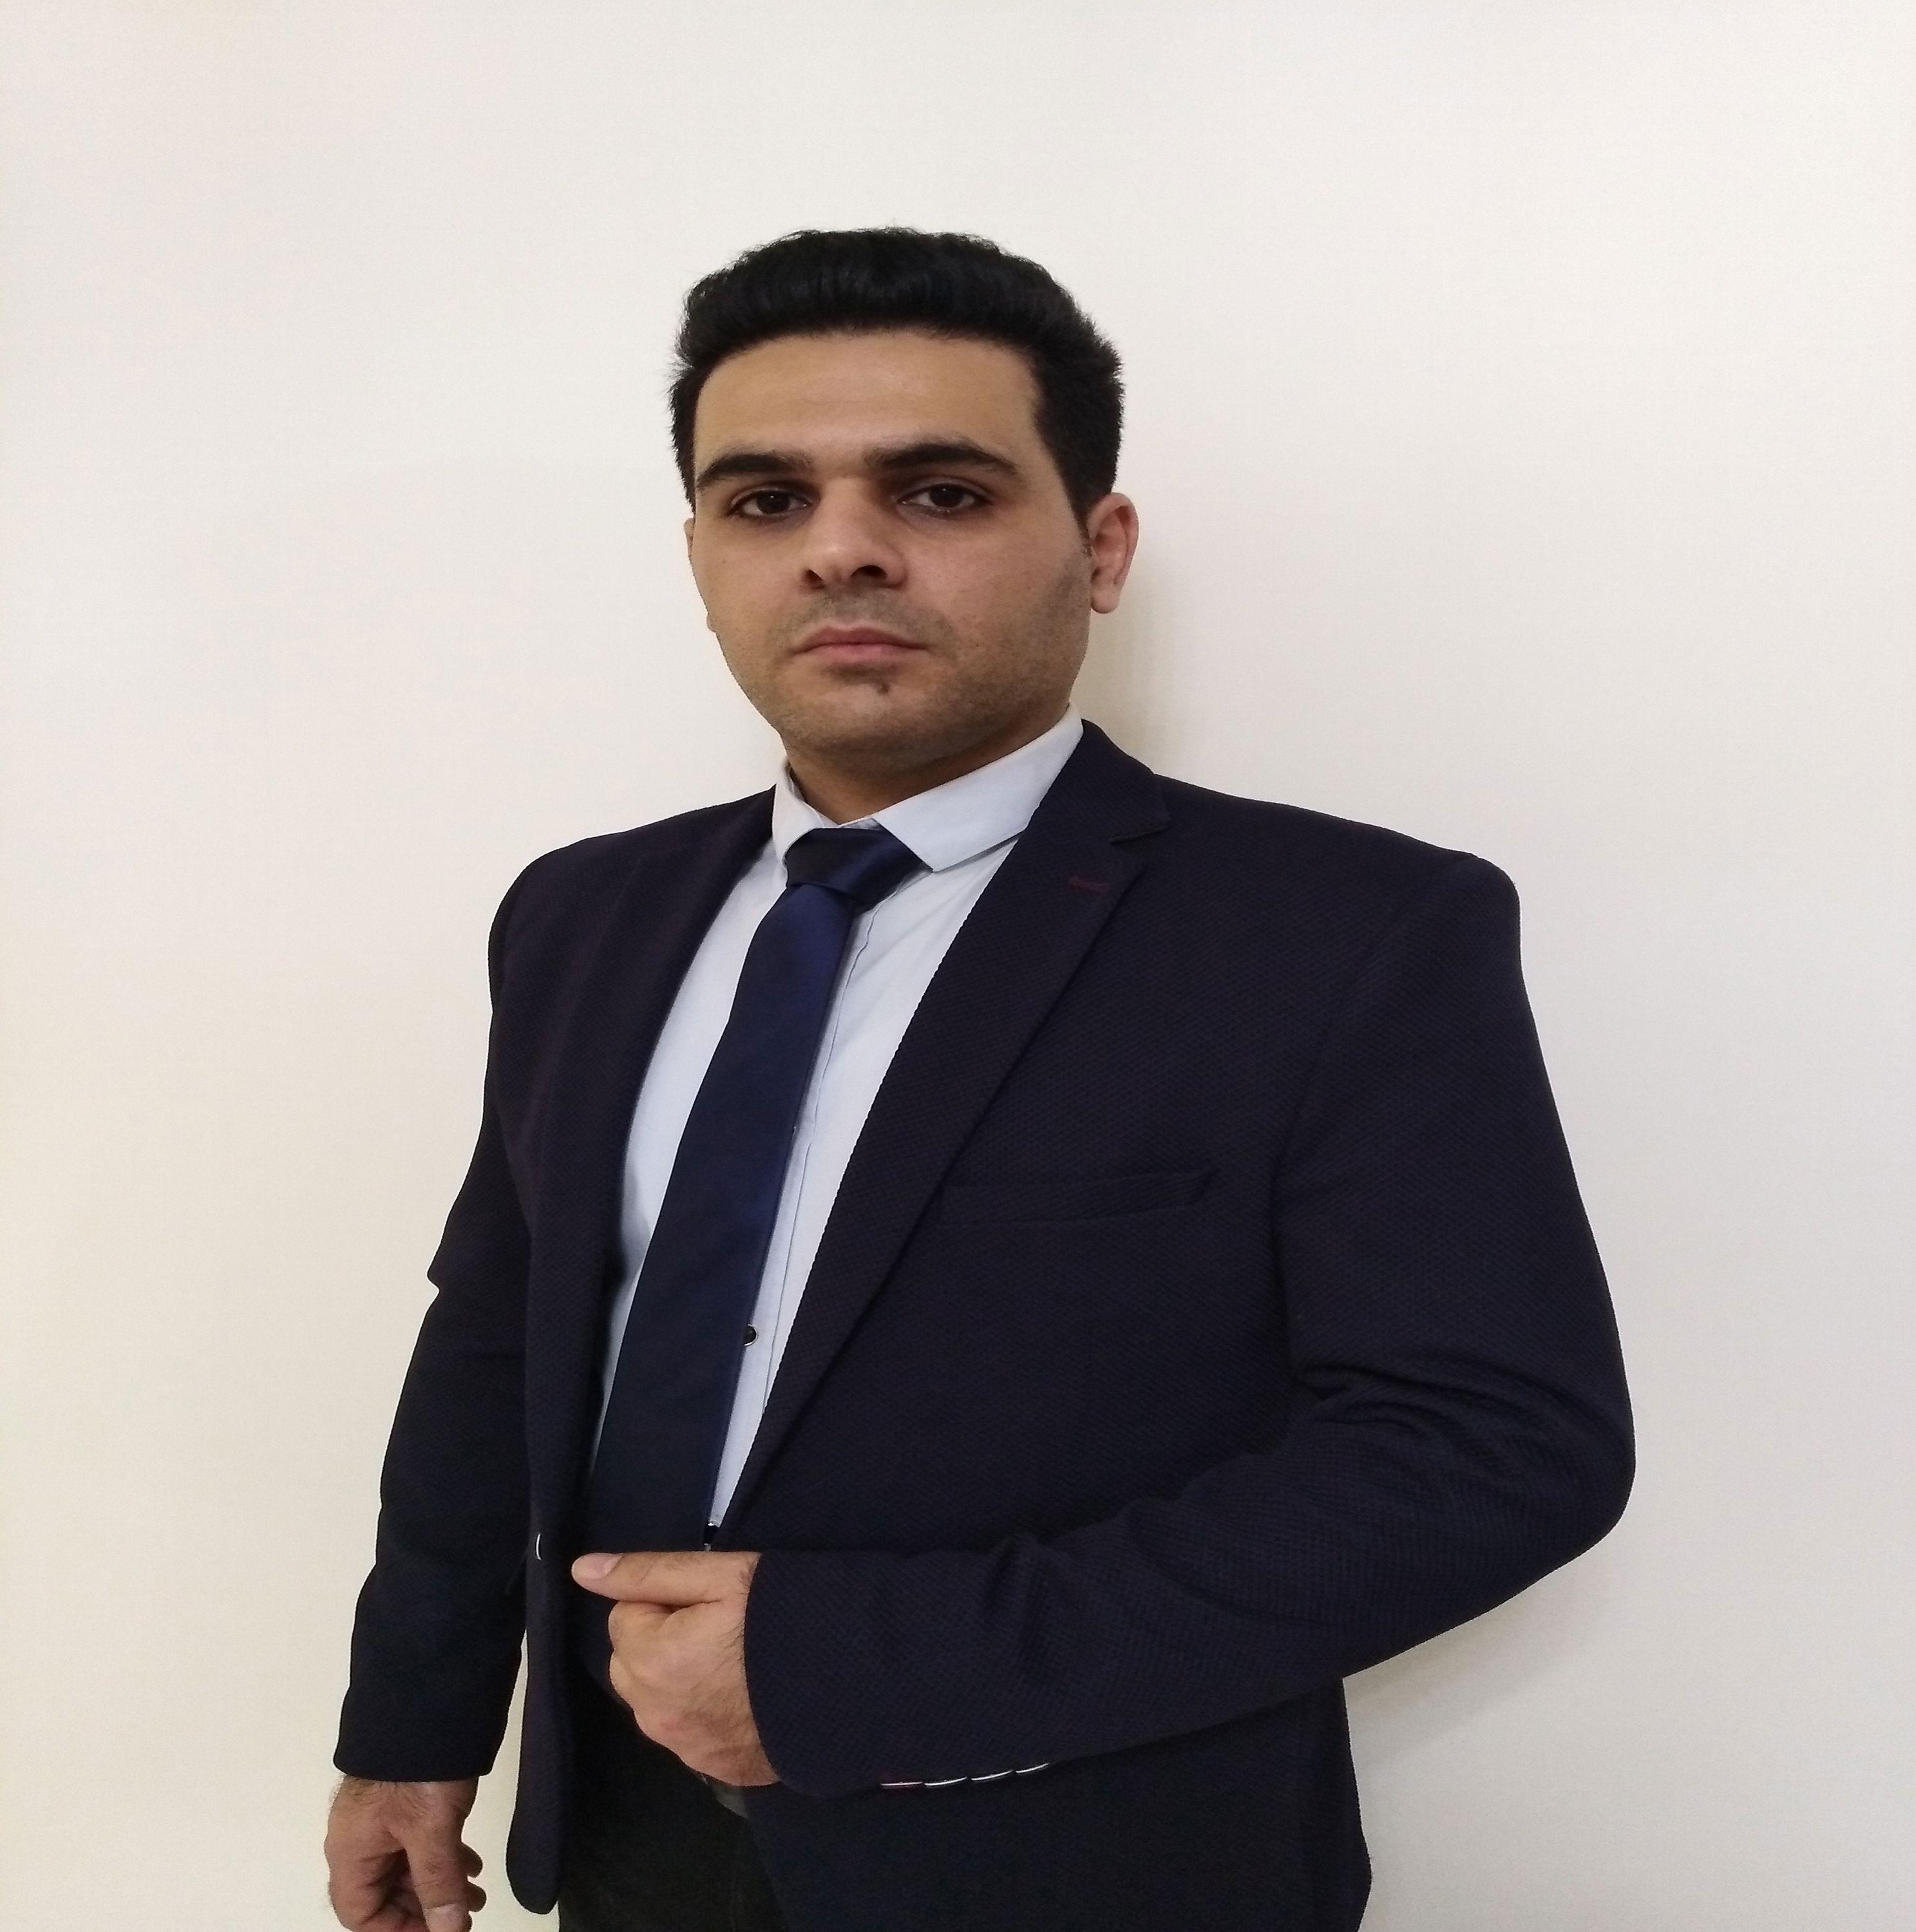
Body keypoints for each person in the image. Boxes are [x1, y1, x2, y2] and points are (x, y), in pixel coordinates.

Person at [323, 226, 1635, 1932]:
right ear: (701, 554)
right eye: (765, 500)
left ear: (1100, 547)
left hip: (1086, 1868)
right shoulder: (583, 915)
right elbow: (500, 1342)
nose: (840, 550)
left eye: (939, 493)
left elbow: (1494, 1448)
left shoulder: (1345, 931)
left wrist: (849, 1671)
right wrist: (413, 1728)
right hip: (636, 1850)